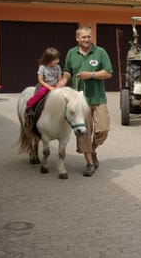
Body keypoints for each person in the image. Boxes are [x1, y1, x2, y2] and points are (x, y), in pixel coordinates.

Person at [58, 26, 113, 177]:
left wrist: (91, 74)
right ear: (77, 38)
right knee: (83, 133)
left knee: (103, 130)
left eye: (89, 37)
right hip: (79, 101)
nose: (86, 39)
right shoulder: (71, 53)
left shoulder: (100, 52)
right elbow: (68, 70)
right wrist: (63, 81)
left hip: (98, 98)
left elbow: (108, 73)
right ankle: (89, 163)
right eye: (83, 37)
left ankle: (92, 149)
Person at [26, 47, 62, 122]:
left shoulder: (58, 67)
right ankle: (30, 106)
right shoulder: (42, 67)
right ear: (48, 59)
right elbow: (40, 80)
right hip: (45, 85)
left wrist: (59, 86)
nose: (57, 61)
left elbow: (60, 79)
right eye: (55, 59)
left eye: (58, 59)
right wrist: (49, 87)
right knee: (40, 93)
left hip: (55, 85)